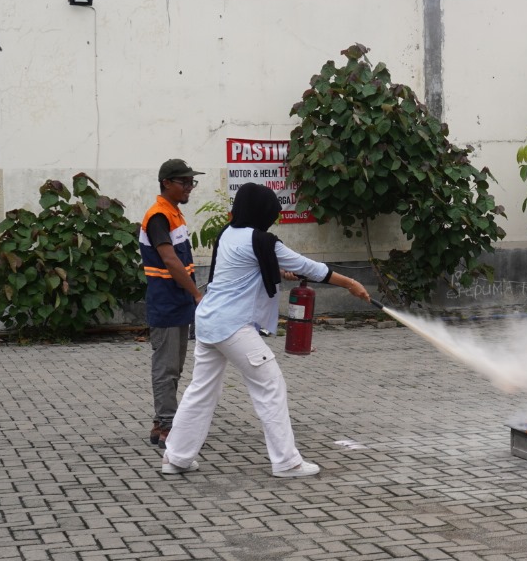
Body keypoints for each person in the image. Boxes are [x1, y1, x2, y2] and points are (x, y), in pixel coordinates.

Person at [161, 182, 371, 478]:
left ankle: (176, 458)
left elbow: (244, 268)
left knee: (201, 390)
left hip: (208, 321)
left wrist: (276, 267)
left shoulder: (228, 234)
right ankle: (287, 462)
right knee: (270, 386)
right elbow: (310, 267)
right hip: (232, 326)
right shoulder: (262, 241)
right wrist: (350, 283)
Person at [139, 158, 205, 449]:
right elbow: (169, 260)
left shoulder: (173, 214)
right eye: (185, 182)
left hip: (177, 302)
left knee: (174, 367)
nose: (190, 187)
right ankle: (167, 425)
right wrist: (196, 293)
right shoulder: (158, 217)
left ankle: (161, 423)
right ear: (167, 183)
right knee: (166, 367)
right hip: (166, 301)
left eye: (192, 182)